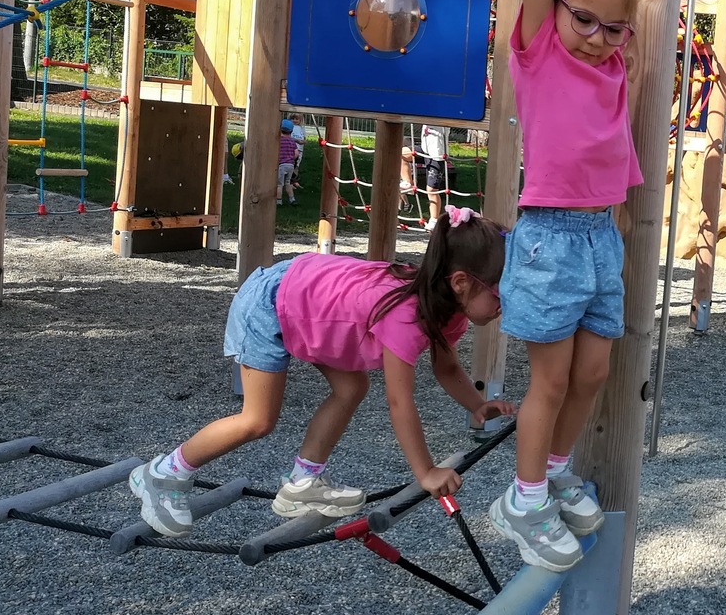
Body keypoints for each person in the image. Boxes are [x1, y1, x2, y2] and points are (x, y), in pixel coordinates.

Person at [128, 207, 514, 538]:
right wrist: (426, 471)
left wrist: (477, 405)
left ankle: (302, 483)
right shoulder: (406, 316)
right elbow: (399, 402)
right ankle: (164, 472)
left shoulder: (448, 308)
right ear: (460, 282)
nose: (507, 303)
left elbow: (447, 367)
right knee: (257, 420)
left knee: (351, 387)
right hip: (270, 302)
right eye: (501, 293)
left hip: (312, 303)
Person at [488, 0, 640, 572]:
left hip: (600, 237)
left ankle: (549, 474)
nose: (599, 37)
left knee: (593, 373)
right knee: (549, 379)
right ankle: (521, 498)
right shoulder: (541, 48)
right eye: (585, 19)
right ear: (553, 9)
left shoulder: (613, 65)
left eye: (615, 28)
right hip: (550, 235)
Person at [277, 120, 300, 206]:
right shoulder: (292, 141)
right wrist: (291, 159)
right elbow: (296, 153)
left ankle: (279, 201)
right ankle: (292, 199)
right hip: (290, 165)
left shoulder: (279, 141)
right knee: (288, 183)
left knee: (279, 184)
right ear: (291, 131)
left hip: (281, 165)